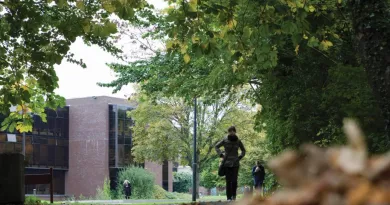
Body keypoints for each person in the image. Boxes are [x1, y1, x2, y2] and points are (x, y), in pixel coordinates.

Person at [215, 126, 246, 201]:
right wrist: (221, 155)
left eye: (233, 131)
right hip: (227, 163)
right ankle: (229, 197)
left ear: (235, 132)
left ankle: (234, 196)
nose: (231, 132)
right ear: (228, 132)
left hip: (235, 163)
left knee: (234, 181)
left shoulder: (238, 141)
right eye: (230, 131)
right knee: (228, 181)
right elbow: (216, 146)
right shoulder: (225, 140)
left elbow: (243, 150)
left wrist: (240, 157)